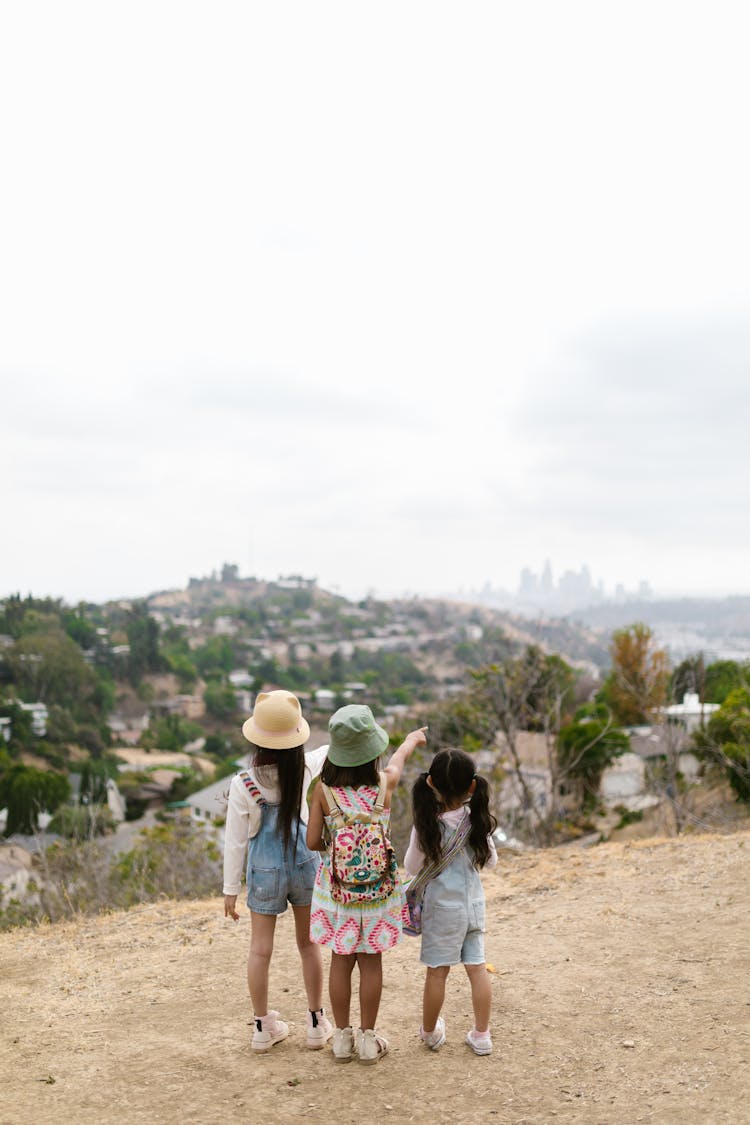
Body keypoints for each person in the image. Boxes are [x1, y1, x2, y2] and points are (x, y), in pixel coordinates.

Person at [306, 704, 427, 1064]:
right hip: (379, 893)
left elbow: (313, 841)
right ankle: (368, 1040)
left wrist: (335, 845)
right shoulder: (383, 783)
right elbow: (399, 761)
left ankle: (342, 1039)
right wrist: (410, 740)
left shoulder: (322, 791)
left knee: (341, 961)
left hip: (338, 892)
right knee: (371, 961)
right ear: (371, 749)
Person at [223, 690, 332, 1053]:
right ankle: (316, 1022)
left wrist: (229, 890)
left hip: (265, 870)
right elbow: (328, 749)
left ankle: (261, 1027)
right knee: (309, 944)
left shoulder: (243, 784)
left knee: (260, 949)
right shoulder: (307, 769)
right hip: (305, 862)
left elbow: (235, 842)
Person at [404, 747, 498, 1056]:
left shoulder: (428, 824)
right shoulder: (477, 820)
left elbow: (411, 867)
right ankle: (481, 1035)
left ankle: (430, 1033)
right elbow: (492, 861)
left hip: (442, 912)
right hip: (473, 907)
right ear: (472, 787)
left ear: (430, 783)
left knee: (437, 971)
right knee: (477, 968)